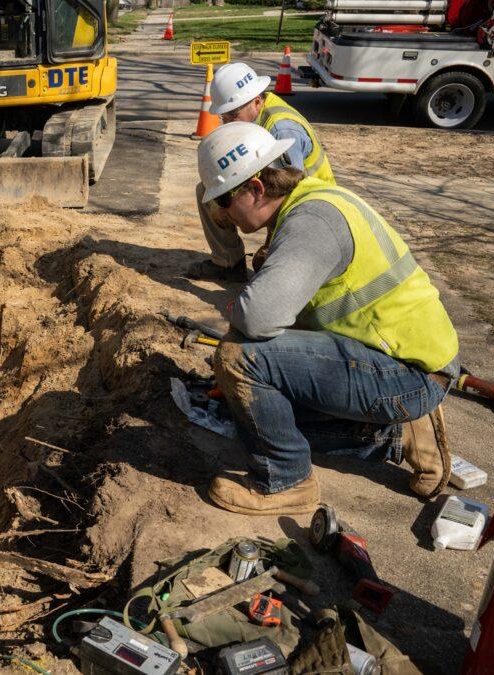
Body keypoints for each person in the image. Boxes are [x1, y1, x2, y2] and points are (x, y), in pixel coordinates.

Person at [196, 122, 458, 516]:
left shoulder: (312, 223)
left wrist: (239, 318)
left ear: (255, 189)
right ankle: (396, 436)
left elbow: (257, 318)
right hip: (395, 362)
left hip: (406, 374)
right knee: (249, 416)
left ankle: (286, 481)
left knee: (237, 357)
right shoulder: (310, 203)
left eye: (224, 202)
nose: (222, 215)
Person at [188, 62, 335, 282]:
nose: (227, 123)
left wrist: (271, 249)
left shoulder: (282, 128)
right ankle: (228, 263)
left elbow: (288, 196)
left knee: (266, 268)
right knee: (209, 192)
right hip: (277, 195)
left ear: (257, 101)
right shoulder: (251, 116)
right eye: (224, 117)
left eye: (232, 115)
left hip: (314, 213)